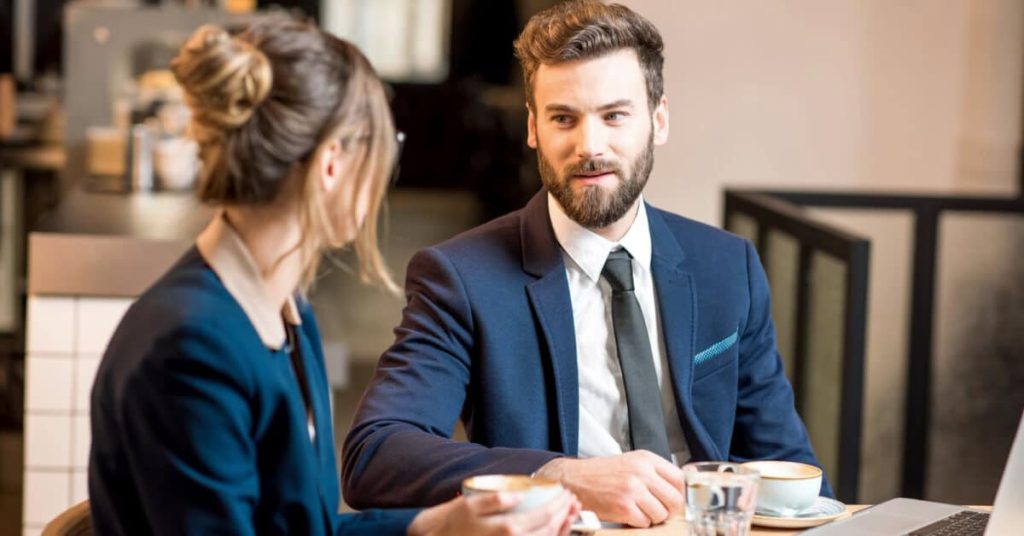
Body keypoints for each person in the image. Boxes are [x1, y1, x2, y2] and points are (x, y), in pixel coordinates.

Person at [342, 0, 831, 528]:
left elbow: (791, 469)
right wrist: (560, 475)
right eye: (563, 119)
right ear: (533, 128)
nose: (589, 146)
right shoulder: (461, 277)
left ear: (659, 119)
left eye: (614, 115)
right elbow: (377, 454)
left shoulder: (727, 267)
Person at [88, 16, 578, 536]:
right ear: (331, 164)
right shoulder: (191, 348)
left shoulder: (285, 311)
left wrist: (437, 525)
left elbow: (304, 526)